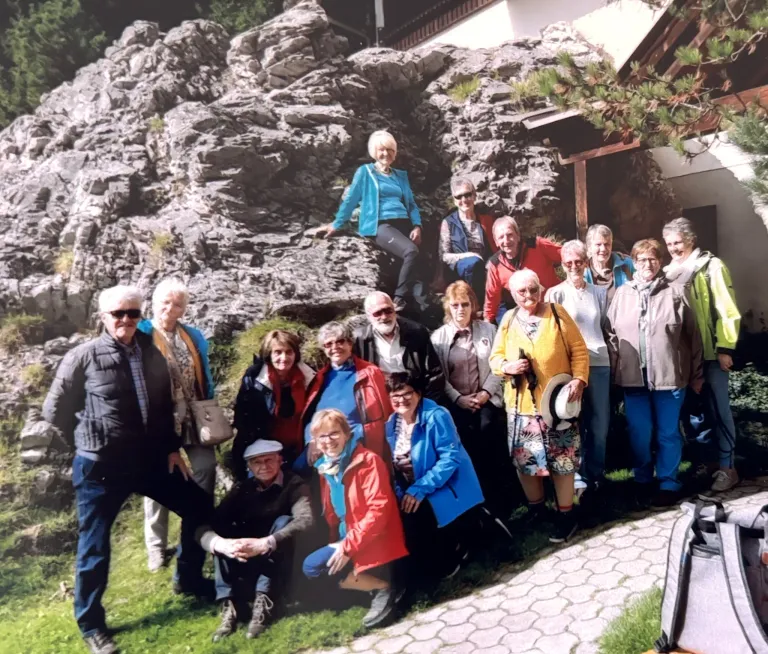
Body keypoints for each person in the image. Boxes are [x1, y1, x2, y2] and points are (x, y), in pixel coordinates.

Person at [42, 285, 218, 654]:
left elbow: (159, 407)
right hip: (101, 468)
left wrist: (171, 449)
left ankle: (188, 578)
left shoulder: (152, 350)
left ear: (141, 315)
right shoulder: (83, 356)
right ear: (103, 318)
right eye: (117, 314)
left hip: (151, 461)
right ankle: (91, 624)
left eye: (132, 313)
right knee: (95, 547)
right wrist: (86, 444)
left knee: (199, 506)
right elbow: (54, 411)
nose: (125, 320)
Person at [490, 270, 589, 543]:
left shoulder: (556, 313)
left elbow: (579, 350)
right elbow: (495, 358)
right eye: (522, 291)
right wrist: (507, 367)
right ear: (512, 294)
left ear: (541, 288)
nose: (528, 296)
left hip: (557, 404)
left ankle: (566, 515)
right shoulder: (508, 320)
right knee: (526, 462)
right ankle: (538, 510)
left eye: (533, 289)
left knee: (563, 460)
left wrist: (579, 380)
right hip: (522, 407)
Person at [605, 238, 704, 507]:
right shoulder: (622, 294)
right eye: (641, 259)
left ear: (660, 262)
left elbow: (693, 337)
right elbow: (611, 334)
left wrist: (696, 374)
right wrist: (617, 371)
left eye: (652, 259)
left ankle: (669, 482)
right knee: (639, 431)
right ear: (633, 263)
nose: (647, 264)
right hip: (633, 378)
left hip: (670, 376)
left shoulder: (675, 292)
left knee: (667, 432)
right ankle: (642, 479)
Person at [137, 278, 217, 573]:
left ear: (184, 308)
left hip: (193, 415)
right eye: (165, 302)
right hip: (158, 419)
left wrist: (210, 404)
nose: (171, 309)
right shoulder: (142, 333)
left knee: (206, 466)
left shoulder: (192, 335)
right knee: (160, 479)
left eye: (178, 303)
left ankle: (200, 530)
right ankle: (156, 548)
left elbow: (204, 375)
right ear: (154, 304)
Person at [198, 440, 313, 642]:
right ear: (249, 467)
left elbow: (306, 520)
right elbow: (209, 524)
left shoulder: (294, 484)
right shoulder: (243, 488)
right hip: (246, 559)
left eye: (269, 460)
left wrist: (267, 542)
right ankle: (231, 605)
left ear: (280, 460)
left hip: (279, 561)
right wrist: (222, 545)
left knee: (283, 522)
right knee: (222, 534)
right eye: (256, 462)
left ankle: (265, 602)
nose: (264, 466)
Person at [302, 410, 408, 629]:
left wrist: (348, 547)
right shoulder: (325, 466)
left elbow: (378, 510)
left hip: (374, 537)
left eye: (334, 434)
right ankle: (376, 585)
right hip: (349, 535)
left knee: (317, 567)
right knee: (312, 567)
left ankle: (384, 589)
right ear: (315, 441)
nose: (328, 441)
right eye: (322, 436)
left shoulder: (368, 461)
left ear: (347, 434)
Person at [663, 217, 741, 492]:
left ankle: (727, 467)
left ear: (691, 240)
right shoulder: (667, 272)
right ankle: (705, 464)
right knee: (693, 415)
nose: (674, 248)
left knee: (719, 412)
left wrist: (725, 348)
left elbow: (726, 308)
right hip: (684, 359)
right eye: (669, 243)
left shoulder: (711, 267)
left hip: (710, 354)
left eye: (678, 242)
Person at [385, 371, 485, 578]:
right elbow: (392, 467)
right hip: (416, 488)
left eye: (407, 393)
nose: (402, 400)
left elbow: (450, 459)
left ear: (419, 393)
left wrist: (419, 490)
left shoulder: (436, 415)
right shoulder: (391, 424)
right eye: (395, 396)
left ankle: (453, 554)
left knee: (417, 518)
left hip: (447, 485)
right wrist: (401, 493)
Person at [319, 130, 427, 313]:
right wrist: (337, 224)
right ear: (374, 152)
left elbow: (411, 204)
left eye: (390, 150)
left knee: (421, 261)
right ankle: (398, 300)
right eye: (382, 150)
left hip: (404, 224)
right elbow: (351, 199)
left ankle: (420, 305)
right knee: (411, 251)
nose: (386, 154)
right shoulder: (365, 172)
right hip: (381, 224)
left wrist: (417, 226)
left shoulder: (400, 176)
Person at [430, 281, 509, 516]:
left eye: (465, 304)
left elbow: (498, 365)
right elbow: (439, 376)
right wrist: (458, 399)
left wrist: (485, 394)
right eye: (455, 305)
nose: (461, 310)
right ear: (448, 308)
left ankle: (503, 502)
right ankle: (477, 506)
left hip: (488, 399)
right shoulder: (438, 338)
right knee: (466, 447)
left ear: (473, 304)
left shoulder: (488, 330)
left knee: (490, 437)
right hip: (457, 403)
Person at [546, 241, 610, 492]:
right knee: (573, 421)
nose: (573, 266)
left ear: (586, 262)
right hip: (570, 368)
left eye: (578, 262)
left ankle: (597, 474)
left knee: (600, 423)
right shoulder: (555, 294)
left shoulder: (600, 293)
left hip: (599, 363)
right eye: (568, 263)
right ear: (562, 265)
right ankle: (577, 477)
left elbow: (604, 326)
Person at [300, 321, 392, 466]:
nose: (335, 347)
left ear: (350, 344)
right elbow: (310, 416)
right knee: (298, 469)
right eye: (328, 344)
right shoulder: (320, 377)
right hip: (323, 442)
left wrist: (347, 439)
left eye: (340, 341)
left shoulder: (369, 372)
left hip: (358, 442)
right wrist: (311, 440)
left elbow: (383, 416)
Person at [232, 330, 315, 479]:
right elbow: (243, 417)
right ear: (269, 354)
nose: (284, 358)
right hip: (263, 442)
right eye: (278, 352)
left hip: (299, 444)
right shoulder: (255, 377)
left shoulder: (309, 376)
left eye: (289, 352)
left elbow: (315, 414)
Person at [353, 291, 444, 401]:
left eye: (388, 310)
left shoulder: (417, 332)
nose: (384, 316)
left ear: (394, 310)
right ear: (368, 316)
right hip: (379, 400)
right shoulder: (359, 339)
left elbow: (434, 375)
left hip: (413, 397)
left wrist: (426, 404)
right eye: (378, 313)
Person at [484, 216, 562, 324]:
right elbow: (492, 298)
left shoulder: (537, 245)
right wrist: (487, 322)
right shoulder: (495, 265)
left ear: (518, 235)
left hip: (556, 304)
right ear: (496, 242)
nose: (506, 241)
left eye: (510, 235)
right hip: (529, 312)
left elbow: (566, 255)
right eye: (501, 237)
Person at [438, 177, 497, 303]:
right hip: (460, 267)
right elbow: (444, 256)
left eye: (467, 195)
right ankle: (475, 304)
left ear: (474, 196)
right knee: (473, 263)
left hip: (486, 265)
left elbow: (496, 248)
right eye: (459, 197)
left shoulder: (486, 220)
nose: (464, 200)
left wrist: (491, 262)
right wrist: (468, 255)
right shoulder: (448, 223)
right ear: (454, 201)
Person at [584, 224, 635, 305]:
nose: (603, 249)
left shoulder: (627, 264)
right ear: (589, 247)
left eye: (607, 244)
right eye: (598, 244)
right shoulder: (583, 271)